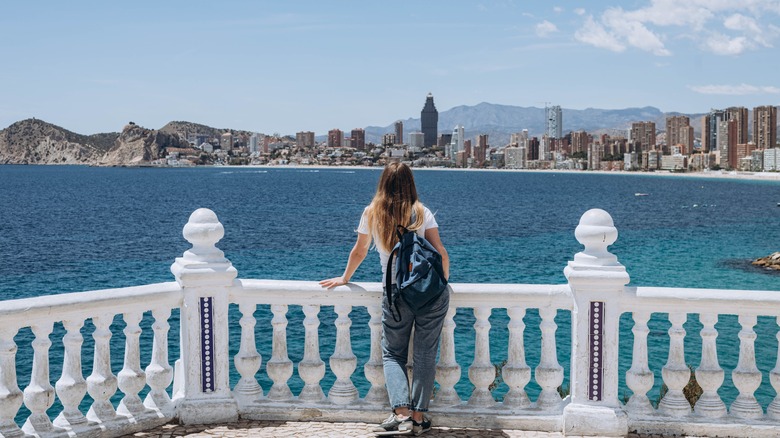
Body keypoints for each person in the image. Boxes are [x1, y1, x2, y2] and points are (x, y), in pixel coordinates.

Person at [320, 162, 450, 436]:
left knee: (393, 353)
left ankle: (401, 414)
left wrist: (345, 278)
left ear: (383, 183)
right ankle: (418, 418)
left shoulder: (372, 212)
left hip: (395, 293)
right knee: (425, 354)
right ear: (410, 183)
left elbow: (359, 251)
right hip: (429, 293)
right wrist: (442, 285)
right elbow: (441, 253)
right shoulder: (421, 211)